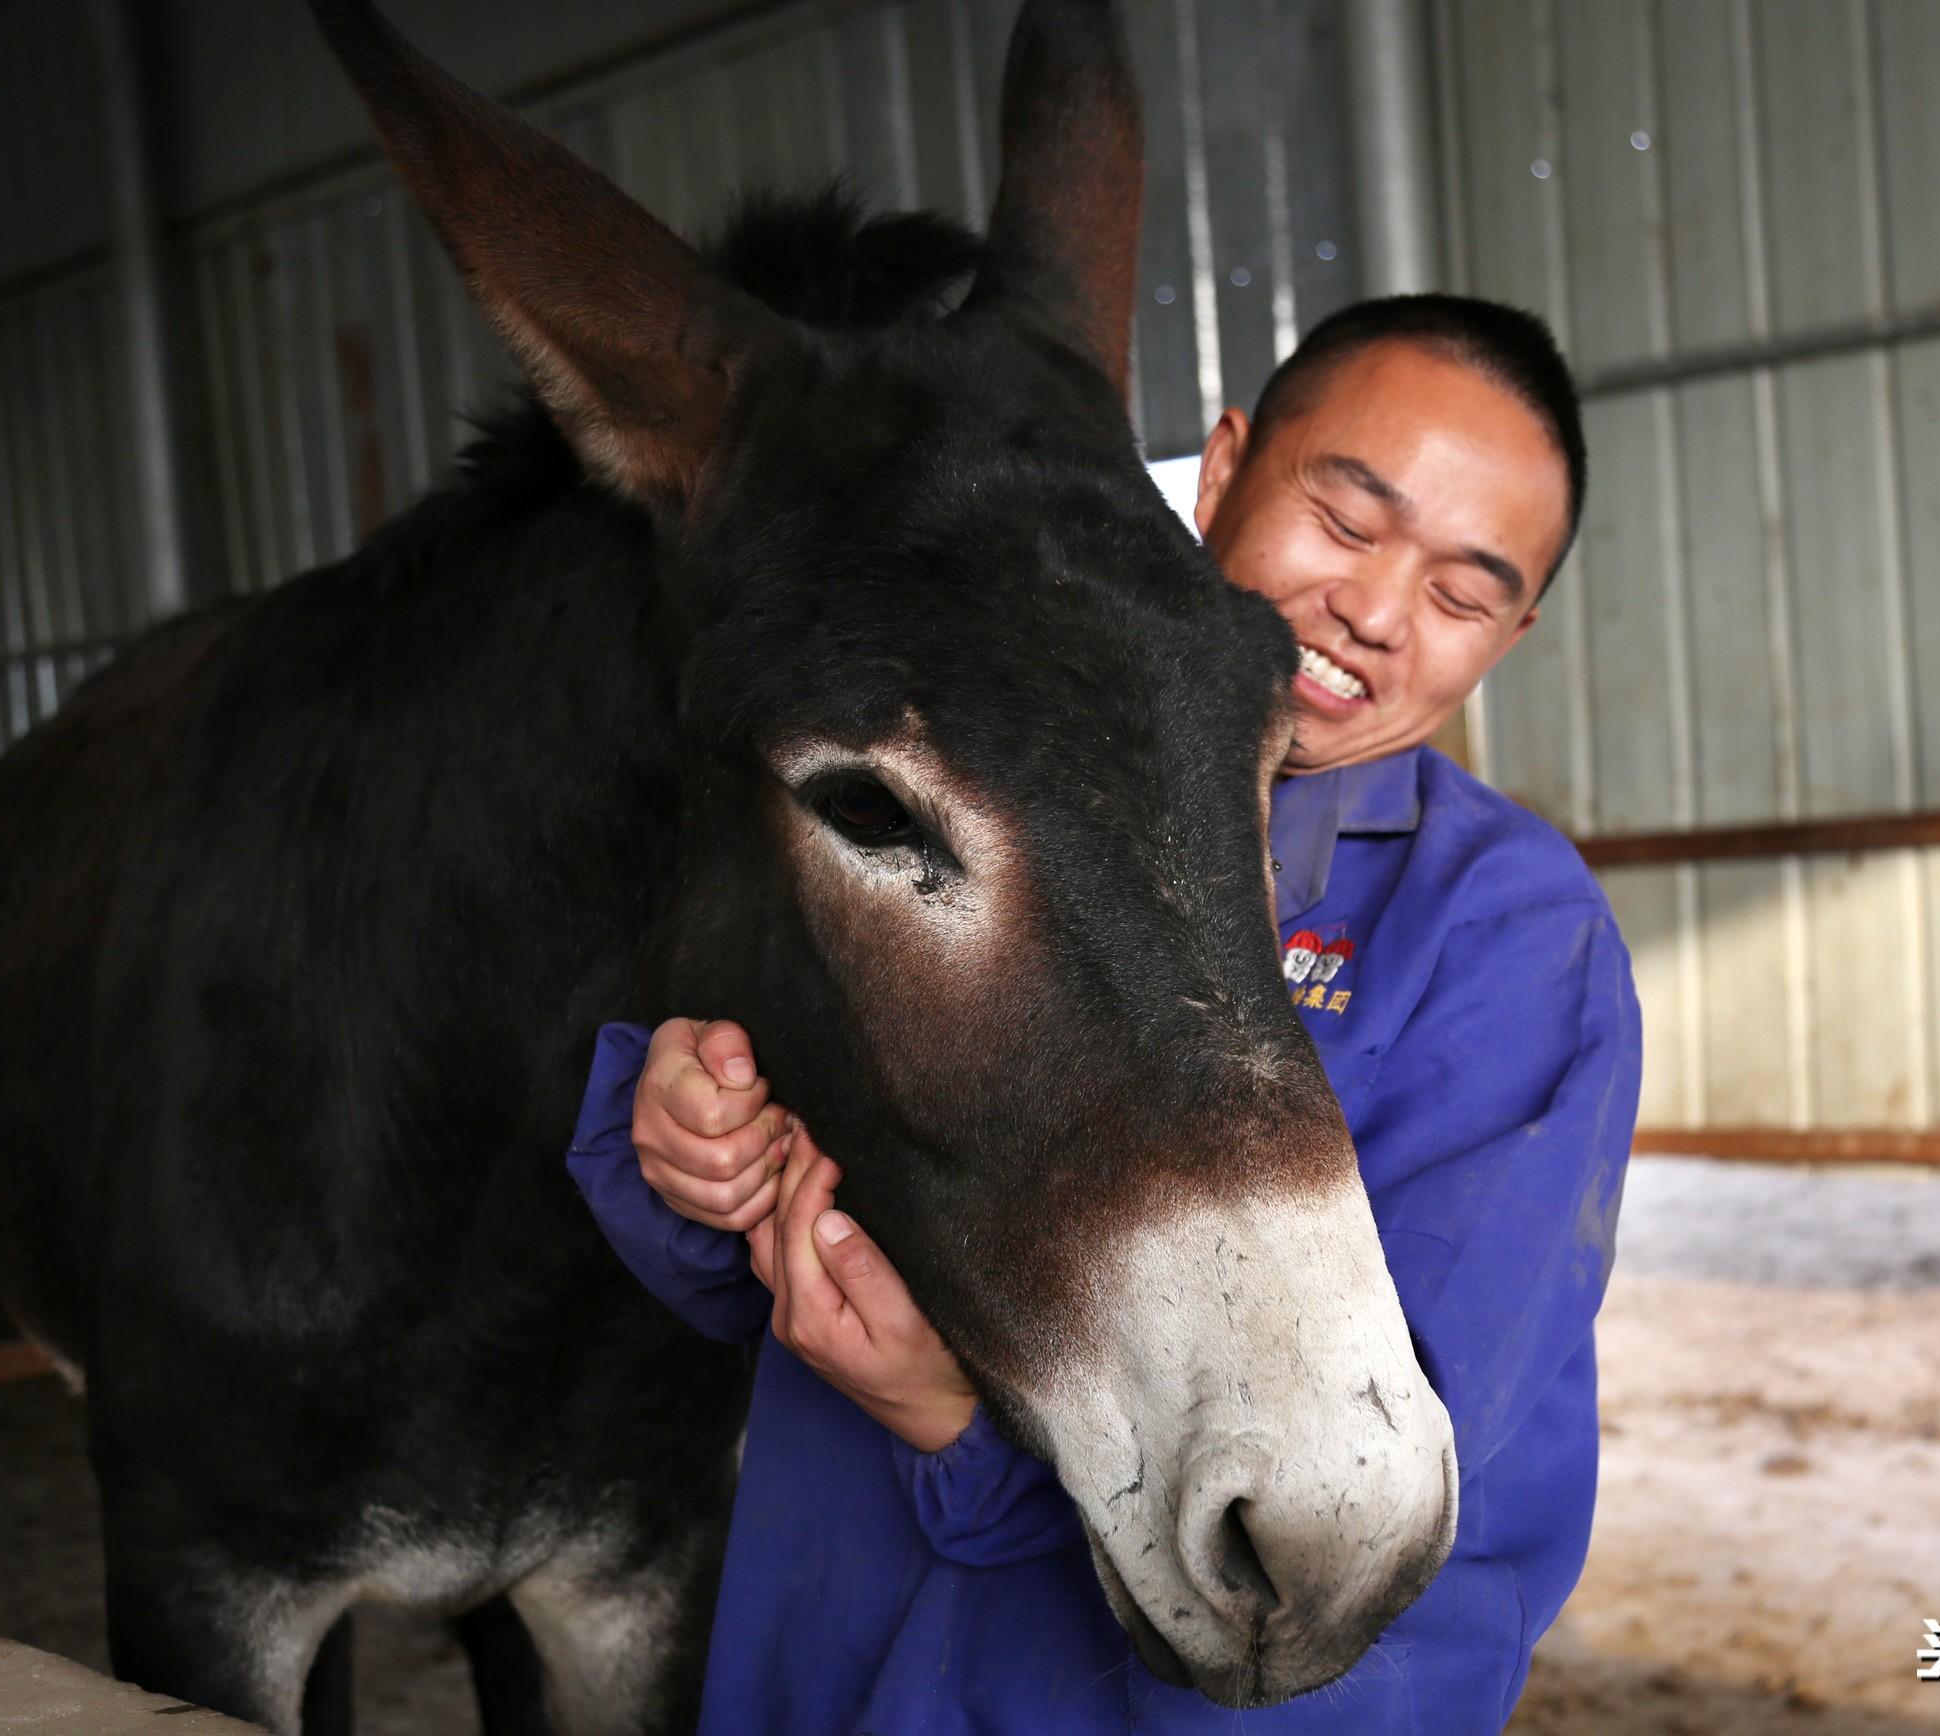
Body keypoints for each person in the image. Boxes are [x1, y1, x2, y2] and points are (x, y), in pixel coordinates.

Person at [567, 294, 1640, 1732]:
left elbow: (1363, 1480)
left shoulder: (1513, 937)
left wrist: (953, 1424)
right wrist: (687, 1154)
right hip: (833, 1669)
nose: (1376, 614)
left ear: (1514, 630)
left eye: (1462, 594)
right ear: (1223, 466)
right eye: (1345, 519)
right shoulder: (933, 787)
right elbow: (763, 1247)